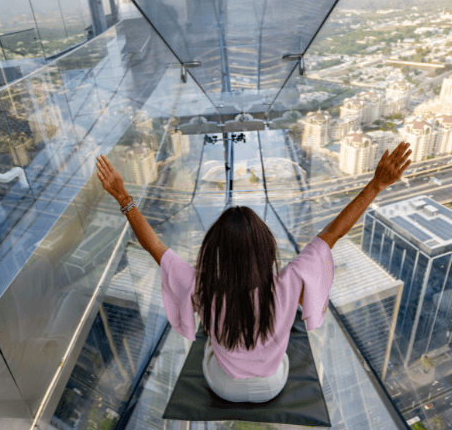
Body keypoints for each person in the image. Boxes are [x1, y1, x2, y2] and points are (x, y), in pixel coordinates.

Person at [95, 141, 412, 403]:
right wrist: (376, 185)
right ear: (266, 248)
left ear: (216, 251)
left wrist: (123, 197)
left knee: (209, 346)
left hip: (224, 386)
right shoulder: (289, 283)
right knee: (278, 355)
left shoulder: (202, 287)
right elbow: (335, 233)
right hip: (272, 386)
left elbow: (155, 248)